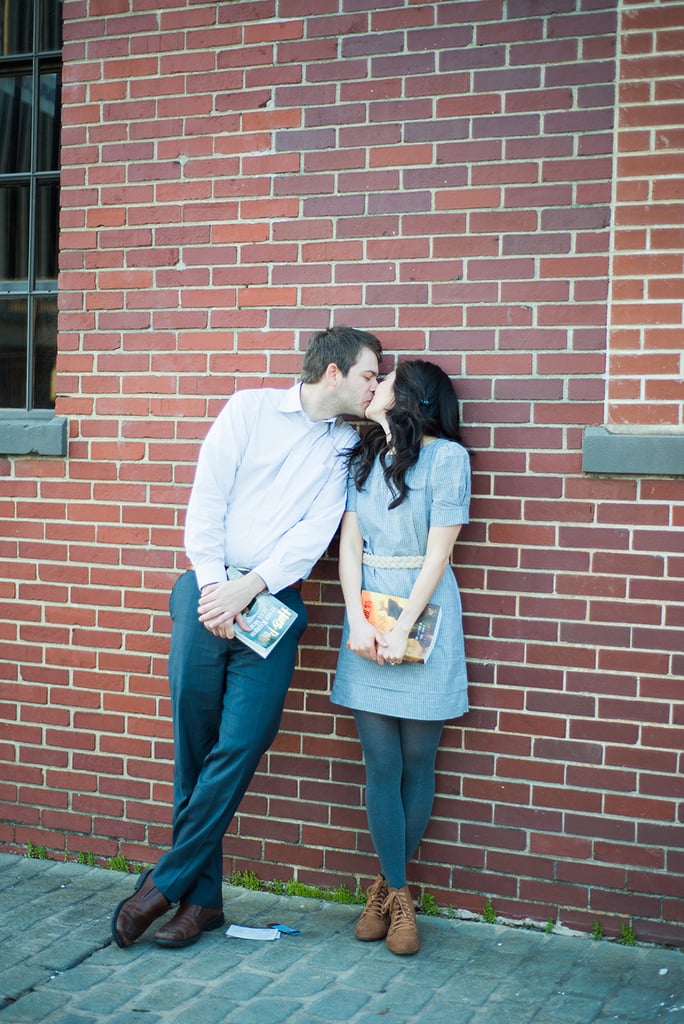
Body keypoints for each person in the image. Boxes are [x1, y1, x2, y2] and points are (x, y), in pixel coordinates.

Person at [111, 325, 382, 949]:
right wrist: (215, 588)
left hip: (272, 604)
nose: (374, 386)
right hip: (206, 592)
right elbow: (206, 501)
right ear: (335, 371)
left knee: (240, 747)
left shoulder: (348, 447)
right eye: (369, 374)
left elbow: (313, 536)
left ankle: (160, 887)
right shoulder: (249, 409)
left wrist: (249, 588)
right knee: (194, 751)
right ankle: (201, 904)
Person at [330, 359, 471, 956]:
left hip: (426, 617)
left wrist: (403, 626)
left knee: (419, 761)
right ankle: (400, 896)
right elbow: (350, 550)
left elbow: (439, 556)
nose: (374, 386)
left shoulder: (447, 460)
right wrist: (359, 622)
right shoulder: (363, 458)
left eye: (384, 381)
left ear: (410, 397)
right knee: (381, 765)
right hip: (367, 625)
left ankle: (386, 891)